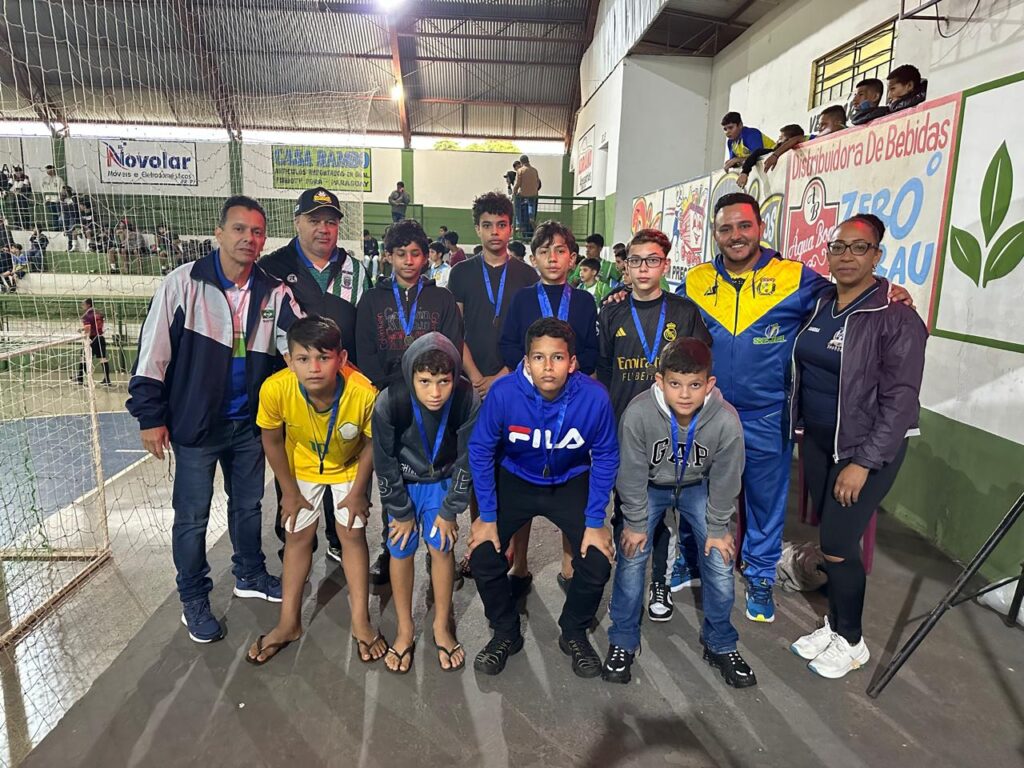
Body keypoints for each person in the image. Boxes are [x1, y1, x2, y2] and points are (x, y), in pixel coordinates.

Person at [674, 193, 912, 623]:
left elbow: (851, 294)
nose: (735, 236)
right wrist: (620, 296)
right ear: (715, 233)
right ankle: (690, 558)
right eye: (725, 228)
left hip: (769, 413)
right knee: (698, 492)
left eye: (744, 226)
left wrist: (889, 290)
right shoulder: (695, 281)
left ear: (761, 228)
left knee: (765, 502)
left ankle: (762, 576)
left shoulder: (797, 279)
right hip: (707, 413)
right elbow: (660, 308)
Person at [127, 195, 301, 643]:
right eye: (240, 229)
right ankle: (193, 597)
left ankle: (249, 573)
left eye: (258, 232)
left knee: (248, 507)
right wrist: (150, 416)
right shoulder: (181, 284)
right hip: (196, 427)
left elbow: (303, 344)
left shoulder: (274, 292)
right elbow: (152, 357)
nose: (249, 238)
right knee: (192, 517)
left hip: (249, 426)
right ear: (219, 233)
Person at [789, 214, 926, 679]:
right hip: (820, 440)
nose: (846, 256)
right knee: (831, 537)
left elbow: (901, 401)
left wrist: (864, 462)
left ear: (877, 256)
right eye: (838, 247)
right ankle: (833, 626)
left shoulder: (895, 316)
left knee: (838, 544)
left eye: (859, 248)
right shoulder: (820, 301)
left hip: (863, 448)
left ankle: (851, 641)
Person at [467, 318, 617, 677]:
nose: (548, 367)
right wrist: (487, 515)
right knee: (483, 556)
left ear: (573, 362)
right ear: (527, 359)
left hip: (569, 481)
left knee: (597, 561)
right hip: (516, 479)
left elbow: (607, 455)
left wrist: (596, 521)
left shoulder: (594, 397)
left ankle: (574, 631)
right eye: (539, 357)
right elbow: (480, 449)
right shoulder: (504, 392)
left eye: (557, 358)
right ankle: (505, 633)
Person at [604, 337, 755, 687]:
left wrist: (718, 528)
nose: (684, 394)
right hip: (650, 488)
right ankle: (623, 640)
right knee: (632, 554)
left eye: (694, 385)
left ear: (709, 384)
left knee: (719, 559)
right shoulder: (639, 414)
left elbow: (726, 477)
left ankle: (720, 643)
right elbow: (630, 474)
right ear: (660, 381)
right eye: (675, 384)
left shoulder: (726, 421)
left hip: (697, 487)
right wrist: (636, 523)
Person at [245, 316, 382, 666]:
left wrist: (358, 491)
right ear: (289, 361)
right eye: (303, 359)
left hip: (349, 464)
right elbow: (272, 439)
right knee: (297, 536)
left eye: (324, 357)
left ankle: (361, 622)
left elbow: (370, 442)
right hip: (302, 463)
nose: (314, 368)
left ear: (342, 358)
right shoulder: (275, 389)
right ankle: (288, 622)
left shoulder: (363, 393)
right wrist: (288, 491)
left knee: (352, 534)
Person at [598, 228, 712, 607]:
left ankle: (659, 580)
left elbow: (699, 367)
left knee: (662, 509)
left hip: (671, 429)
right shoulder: (611, 310)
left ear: (665, 264)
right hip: (623, 429)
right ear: (625, 266)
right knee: (627, 507)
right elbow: (603, 371)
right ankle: (627, 578)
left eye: (652, 260)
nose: (643, 268)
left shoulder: (683, 311)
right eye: (635, 260)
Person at [259, 187, 370, 564]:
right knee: (297, 466)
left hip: (342, 390)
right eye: (314, 220)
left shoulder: (357, 269)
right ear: (297, 222)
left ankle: (339, 537)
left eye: (331, 221)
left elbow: (365, 331)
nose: (323, 229)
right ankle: (291, 532)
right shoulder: (272, 268)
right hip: (296, 393)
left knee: (343, 460)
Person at [355, 217, 464, 583]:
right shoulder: (372, 300)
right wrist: (395, 391)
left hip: (435, 401)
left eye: (416, 254)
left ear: (426, 256)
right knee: (392, 469)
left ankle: (439, 552)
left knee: (435, 467)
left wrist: (428, 390)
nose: (408, 261)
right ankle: (392, 548)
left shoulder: (441, 298)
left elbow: (452, 348)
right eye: (400, 254)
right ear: (388, 257)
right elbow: (365, 352)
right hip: (391, 400)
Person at [374, 333, 480, 673]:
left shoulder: (466, 399)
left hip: (443, 482)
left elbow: (468, 459)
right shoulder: (391, 401)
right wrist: (400, 511)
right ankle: (405, 628)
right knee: (400, 548)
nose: (435, 393)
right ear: (411, 377)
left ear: (455, 378)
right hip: (404, 484)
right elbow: (385, 461)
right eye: (425, 382)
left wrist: (451, 510)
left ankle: (440, 625)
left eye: (443, 382)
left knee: (442, 547)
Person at [500, 220, 599, 376]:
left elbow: (592, 350)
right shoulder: (521, 299)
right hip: (529, 385)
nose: (552, 258)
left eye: (560, 251)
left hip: (572, 386)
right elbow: (508, 345)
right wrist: (536, 369)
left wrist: (566, 368)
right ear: (533, 260)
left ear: (572, 259)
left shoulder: (584, 301)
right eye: (544, 251)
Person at [737, 124, 806, 188]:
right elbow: (756, 153)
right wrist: (744, 172)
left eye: (781, 138)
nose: (777, 141)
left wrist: (775, 155)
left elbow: (797, 139)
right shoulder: (772, 152)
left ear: (788, 140)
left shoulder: (805, 143)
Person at [79, 298, 112, 387]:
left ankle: (82, 378)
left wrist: (82, 330)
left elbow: (88, 327)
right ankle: (107, 379)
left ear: (88, 305)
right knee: (103, 359)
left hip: (92, 339)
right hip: (101, 337)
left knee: (83, 357)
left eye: (83, 304)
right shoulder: (98, 314)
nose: (82, 306)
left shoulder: (87, 315)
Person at [512, 155, 541, 239]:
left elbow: (517, 184)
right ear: (528, 161)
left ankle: (518, 224)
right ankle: (531, 217)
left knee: (517, 205)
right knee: (531, 206)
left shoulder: (520, 171)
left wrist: (514, 192)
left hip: (523, 194)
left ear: (521, 162)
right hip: (534, 194)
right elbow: (538, 182)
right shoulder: (534, 170)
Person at [39, 165, 64, 230]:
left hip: (57, 200)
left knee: (59, 214)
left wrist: (60, 198)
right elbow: (43, 189)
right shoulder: (45, 179)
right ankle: (56, 228)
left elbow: (61, 189)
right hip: (48, 200)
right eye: (47, 170)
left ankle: (60, 227)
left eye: (49, 170)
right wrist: (46, 198)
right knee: (53, 214)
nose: (48, 171)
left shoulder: (59, 179)